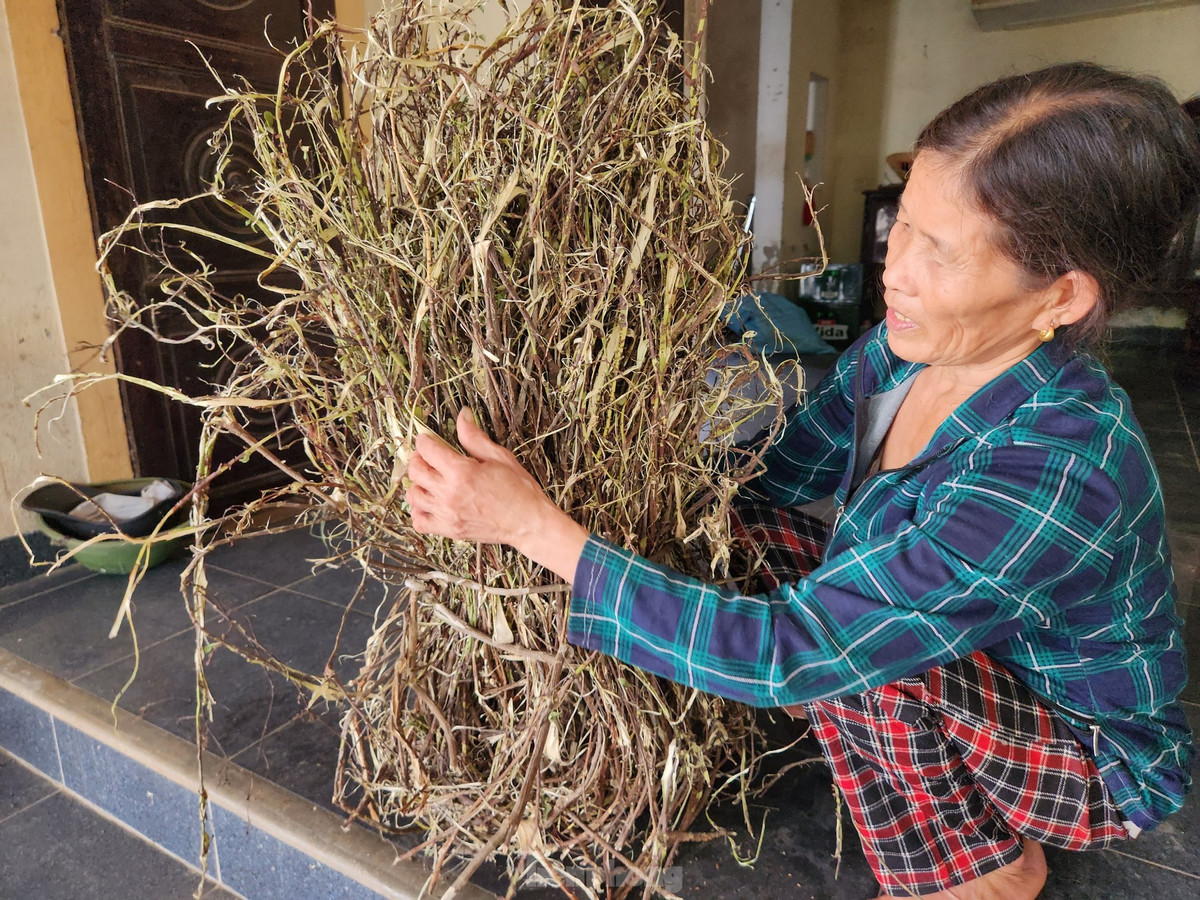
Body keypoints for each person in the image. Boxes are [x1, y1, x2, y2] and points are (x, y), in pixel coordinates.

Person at [405, 62, 1198, 899]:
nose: (895, 271)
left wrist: (535, 529)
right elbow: (768, 480)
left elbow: (796, 649)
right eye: (902, 225)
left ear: (1061, 297)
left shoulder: (1055, 468)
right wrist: (619, 452)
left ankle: (980, 866)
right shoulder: (903, 351)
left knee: (859, 663)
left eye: (940, 252)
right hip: (972, 666)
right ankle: (882, 735)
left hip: (1084, 757)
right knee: (742, 538)